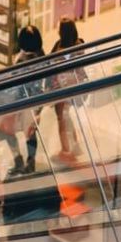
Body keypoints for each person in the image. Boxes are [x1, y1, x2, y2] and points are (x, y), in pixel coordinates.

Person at [0, 25, 46, 175]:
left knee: (6, 129)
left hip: (20, 102)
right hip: (35, 103)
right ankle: (30, 162)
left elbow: (16, 83)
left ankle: (18, 160)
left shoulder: (22, 59)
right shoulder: (42, 56)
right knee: (30, 133)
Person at [49, 18, 87, 164]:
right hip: (73, 87)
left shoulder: (64, 49)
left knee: (61, 119)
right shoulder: (79, 44)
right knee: (66, 116)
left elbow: (50, 62)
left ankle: (66, 151)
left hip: (63, 88)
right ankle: (75, 145)